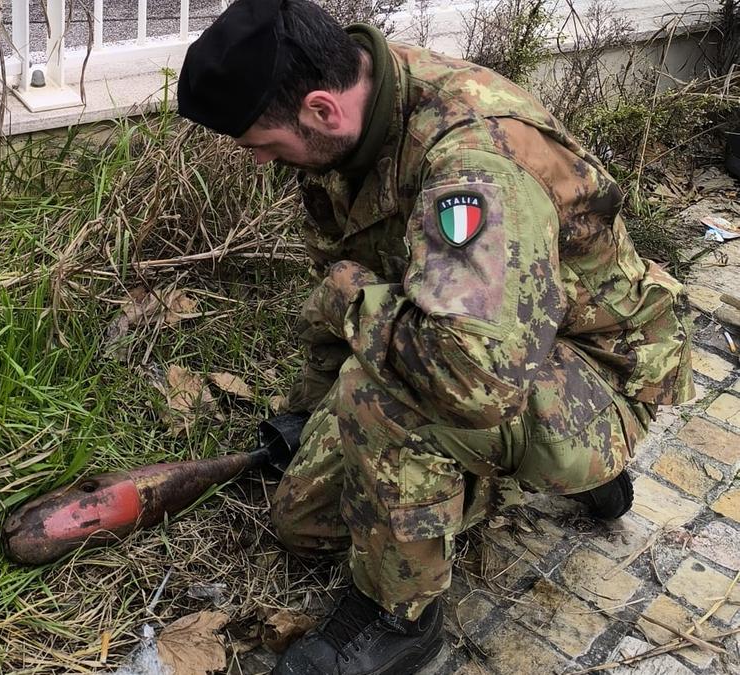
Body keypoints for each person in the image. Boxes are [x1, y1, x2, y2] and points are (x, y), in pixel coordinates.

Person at [176, 0, 696, 672]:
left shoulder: (472, 164)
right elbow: (359, 275)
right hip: (508, 343)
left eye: (262, 146)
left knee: (380, 396)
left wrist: (347, 304)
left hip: (596, 367)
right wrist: (304, 413)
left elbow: (466, 378)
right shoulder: (359, 121)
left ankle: (401, 616)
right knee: (304, 519)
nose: (260, 164)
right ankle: (515, 469)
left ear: (319, 109)